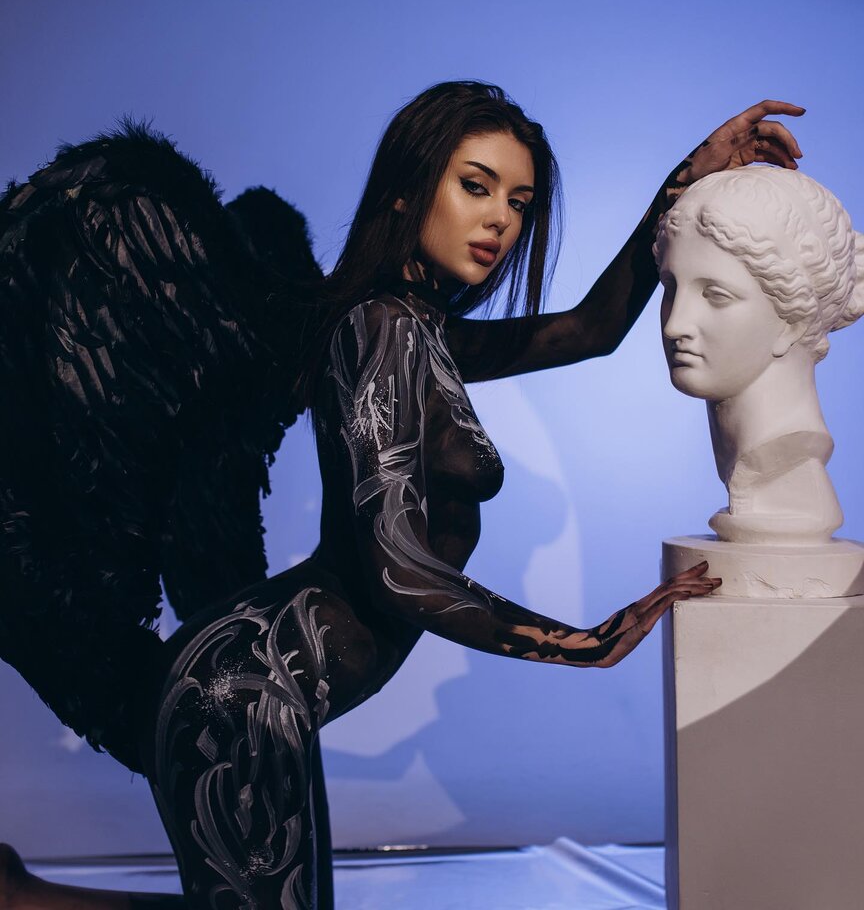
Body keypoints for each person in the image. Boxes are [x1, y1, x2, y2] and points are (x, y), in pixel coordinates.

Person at [0, 83, 803, 909]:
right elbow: (398, 568)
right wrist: (580, 642)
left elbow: (587, 332)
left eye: (519, 202)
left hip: (258, 686)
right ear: (407, 189)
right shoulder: (379, 325)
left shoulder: (421, 329)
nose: (500, 220)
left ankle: (24, 897)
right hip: (239, 695)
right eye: (476, 186)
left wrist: (686, 176)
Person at [655, 166, 864, 543]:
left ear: (792, 321)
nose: (674, 325)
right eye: (670, 287)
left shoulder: (792, 475)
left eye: (716, 295)